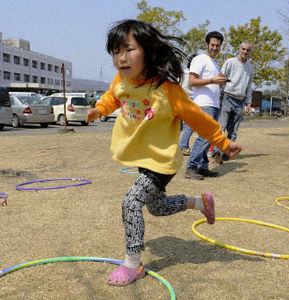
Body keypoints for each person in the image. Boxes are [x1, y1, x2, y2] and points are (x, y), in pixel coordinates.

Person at [86, 20, 242, 286]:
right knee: (157, 208)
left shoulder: (167, 90)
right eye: (115, 52)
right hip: (142, 159)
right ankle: (200, 202)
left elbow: (196, 117)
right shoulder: (122, 80)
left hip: (162, 161)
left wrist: (222, 142)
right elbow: (113, 96)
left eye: (128, 50)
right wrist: (99, 110)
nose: (121, 58)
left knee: (131, 203)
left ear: (151, 53)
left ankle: (133, 265)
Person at [185, 31, 229, 180]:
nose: (215, 48)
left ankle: (203, 167)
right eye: (212, 45)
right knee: (204, 137)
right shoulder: (199, 59)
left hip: (214, 104)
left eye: (218, 45)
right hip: (203, 104)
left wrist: (220, 83)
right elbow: (192, 81)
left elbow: (215, 86)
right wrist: (212, 80)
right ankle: (191, 167)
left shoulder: (215, 64)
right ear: (206, 44)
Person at [212, 41, 254, 164]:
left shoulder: (250, 67)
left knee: (233, 130)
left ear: (250, 52)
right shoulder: (230, 62)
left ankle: (226, 153)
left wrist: (248, 103)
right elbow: (221, 78)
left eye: (247, 50)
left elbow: (249, 86)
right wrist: (217, 96)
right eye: (243, 49)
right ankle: (215, 152)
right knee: (222, 127)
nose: (245, 51)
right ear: (239, 49)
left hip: (240, 100)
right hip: (227, 97)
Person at [179, 54, 197, 156]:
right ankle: (183, 146)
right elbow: (185, 88)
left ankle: (182, 146)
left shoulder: (183, 72)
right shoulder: (188, 74)